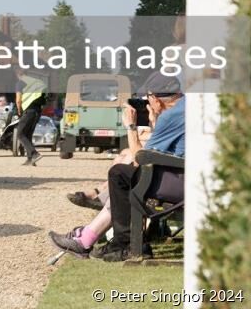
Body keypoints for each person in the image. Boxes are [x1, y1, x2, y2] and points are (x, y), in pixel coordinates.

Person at [48, 73, 186, 262]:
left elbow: (142, 159)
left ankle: (124, 243)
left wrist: (130, 126)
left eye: (148, 98)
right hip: (193, 175)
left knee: (120, 174)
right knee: (124, 174)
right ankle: (89, 238)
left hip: (184, 183)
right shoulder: (186, 107)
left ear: (155, 99)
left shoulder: (171, 115)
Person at [15, 67, 47, 166]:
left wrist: (19, 111)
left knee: (20, 134)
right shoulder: (36, 83)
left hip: (28, 111)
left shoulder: (20, 83)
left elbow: (18, 100)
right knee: (28, 135)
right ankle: (30, 159)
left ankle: (34, 154)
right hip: (37, 111)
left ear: (18, 74)